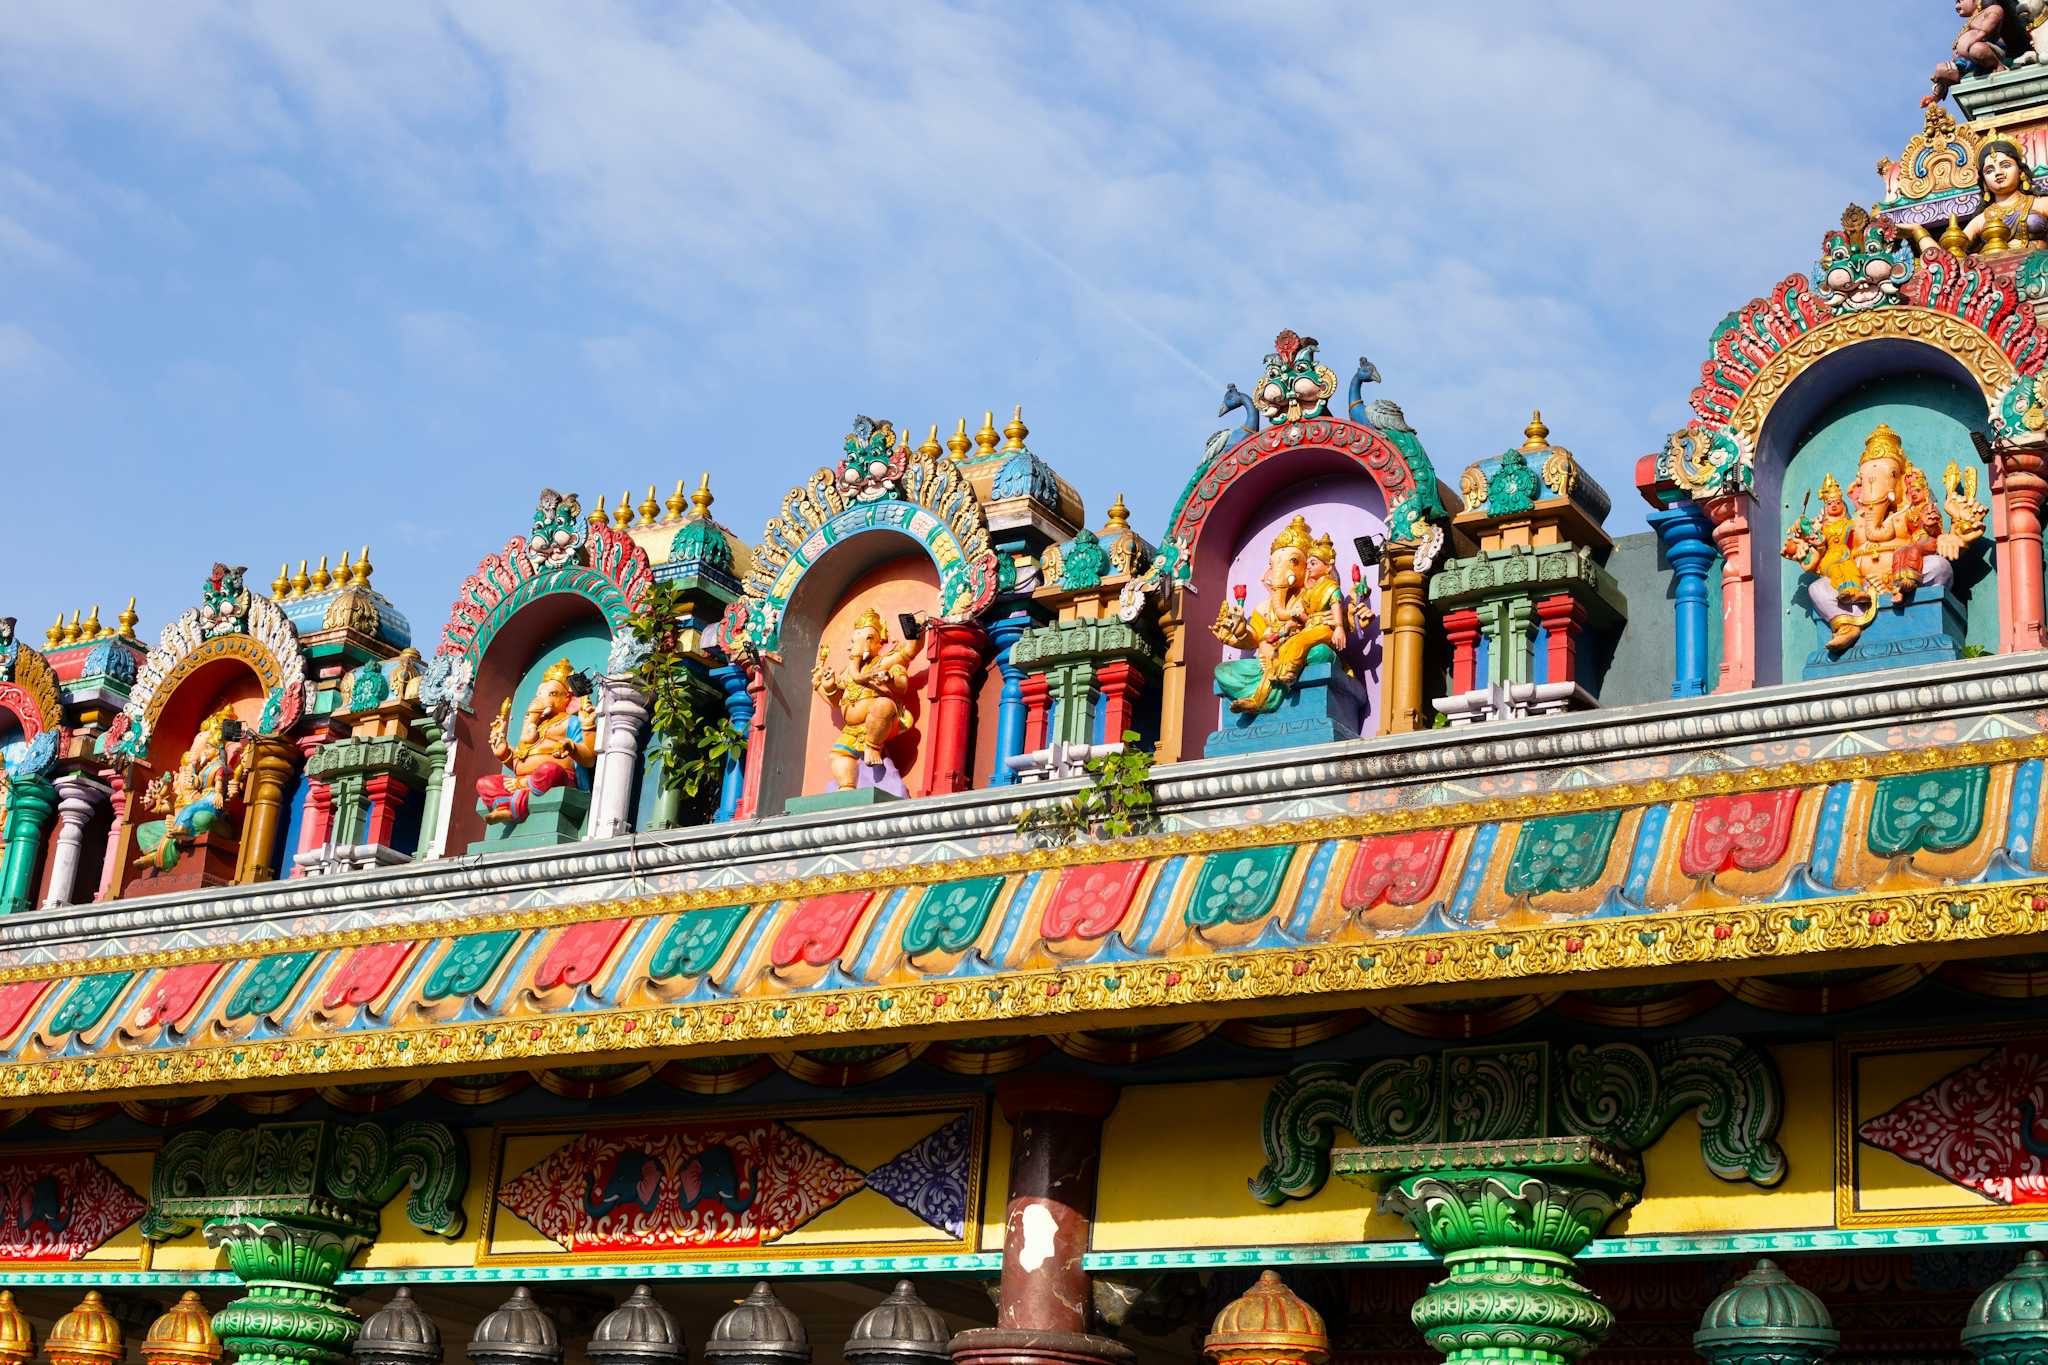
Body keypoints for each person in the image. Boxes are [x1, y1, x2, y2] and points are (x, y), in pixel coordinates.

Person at [476, 657, 597, 825]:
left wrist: (571, 746)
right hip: (525, 781)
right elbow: (523, 760)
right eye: (539, 694)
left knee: (549, 770)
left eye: (552, 694)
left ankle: (510, 807)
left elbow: (589, 759)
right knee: (484, 783)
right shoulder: (536, 726)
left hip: (557, 777)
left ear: (569, 700)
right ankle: (512, 805)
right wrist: (504, 753)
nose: (541, 698)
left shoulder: (571, 722)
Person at [812, 608, 922, 791]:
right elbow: (836, 701)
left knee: (884, 705)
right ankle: (846, 787)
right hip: (852, 730)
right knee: (838, 755)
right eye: (856, 640)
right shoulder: (848, 672)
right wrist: (828, 685)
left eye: (869, 638)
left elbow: (904, 678)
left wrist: (890, 678)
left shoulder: (885, 662)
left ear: (879, 642)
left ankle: (872, 746)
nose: (860, 644)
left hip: (883, 722)